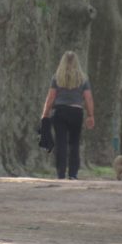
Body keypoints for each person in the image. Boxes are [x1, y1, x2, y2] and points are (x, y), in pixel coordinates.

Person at [41, 50, 95, 180]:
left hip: (60, 111)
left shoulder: (56, 78)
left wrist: (45, 113)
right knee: (74, 143)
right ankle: (73, 174)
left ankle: (60, 173)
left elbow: (51, 97)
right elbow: (88, 98)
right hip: (76, 112)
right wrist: (90, 115)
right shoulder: (83, 79)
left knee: (61, 143)